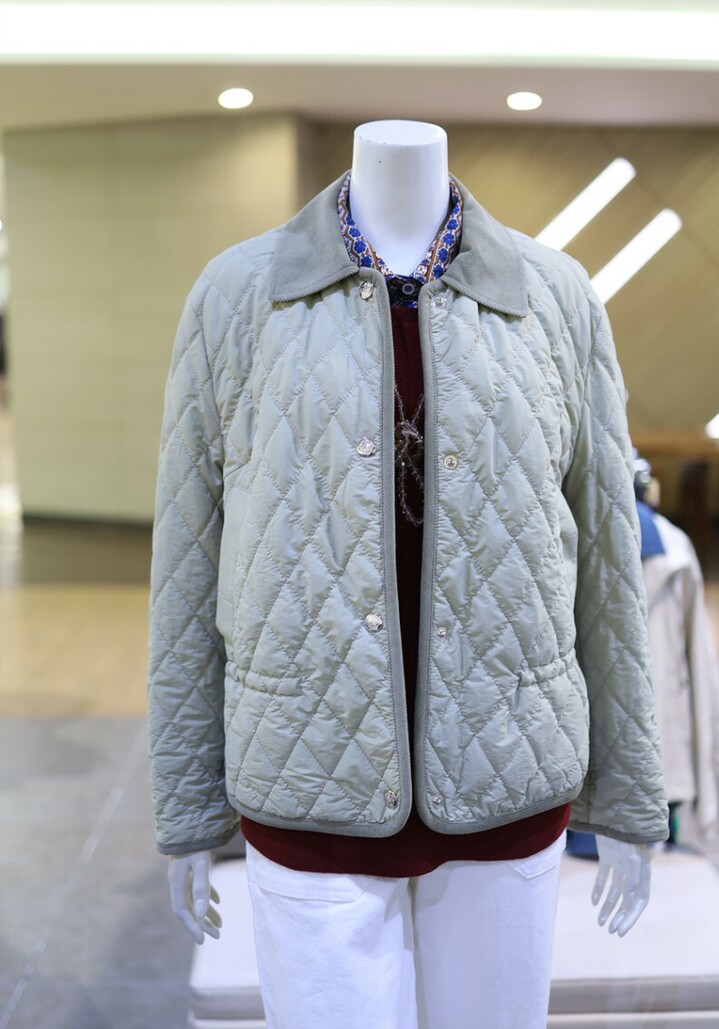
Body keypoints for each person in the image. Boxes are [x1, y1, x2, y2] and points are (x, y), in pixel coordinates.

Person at [148, 120, 668, 1029]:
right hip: (309, 776)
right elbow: (187, 564)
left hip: (507, 774)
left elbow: (608, 564)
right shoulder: (238, 296)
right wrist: (188, 806)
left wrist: (628, 793)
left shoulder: (554, 297)